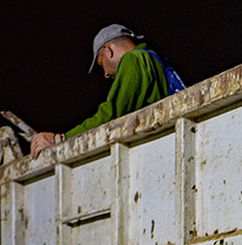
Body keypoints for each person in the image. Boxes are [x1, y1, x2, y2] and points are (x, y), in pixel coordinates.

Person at [30, 24, 170, 154]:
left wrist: (60, 139)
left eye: (101, 63)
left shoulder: (133, 59)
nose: (106, 74)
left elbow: (112, 113)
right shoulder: (151, 58)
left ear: (108, 50)